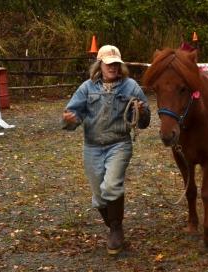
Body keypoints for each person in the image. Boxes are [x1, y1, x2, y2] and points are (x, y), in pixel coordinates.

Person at [61, 45, 150, 255]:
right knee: (99, 197)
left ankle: (116, 229)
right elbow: (71, 115)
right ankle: (114, 227)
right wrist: (70, 120)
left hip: (119, 144)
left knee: (111, 186)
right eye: (109, 64)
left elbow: (145, 121)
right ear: (100, 65)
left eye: (116, 64)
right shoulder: (86, 88)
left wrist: (141, 111)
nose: (113, 68)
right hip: (92, 147)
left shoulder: (131, 87)